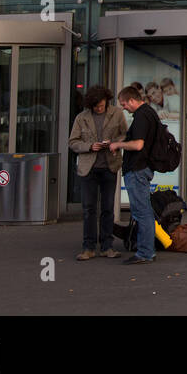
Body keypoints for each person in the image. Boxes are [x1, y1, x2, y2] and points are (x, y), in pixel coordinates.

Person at [67, 85, 127, 261]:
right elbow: (73, 142)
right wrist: (89, 147)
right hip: (89, 168)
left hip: (110, 166)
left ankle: (107, 246)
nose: (99, 109)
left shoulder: (116, 113)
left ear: (106, 101)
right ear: (90, 106)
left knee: (108, 208)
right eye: (96, 107)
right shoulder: (81, 118)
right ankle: (88, 247)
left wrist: (114, 143)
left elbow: (125, 134)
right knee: (89, 208)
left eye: (101, 105)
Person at [108, 84, 161, 265]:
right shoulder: (149, 113)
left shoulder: (141, 116)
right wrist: (118, 141)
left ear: (131, 100)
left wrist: (117, 146)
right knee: (143, 210)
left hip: (138, 169)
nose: (123, 107)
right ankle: (146, 250)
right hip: (143, 168)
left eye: (124, 103)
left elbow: (138, 144)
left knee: (141, 211)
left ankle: (146, 252)